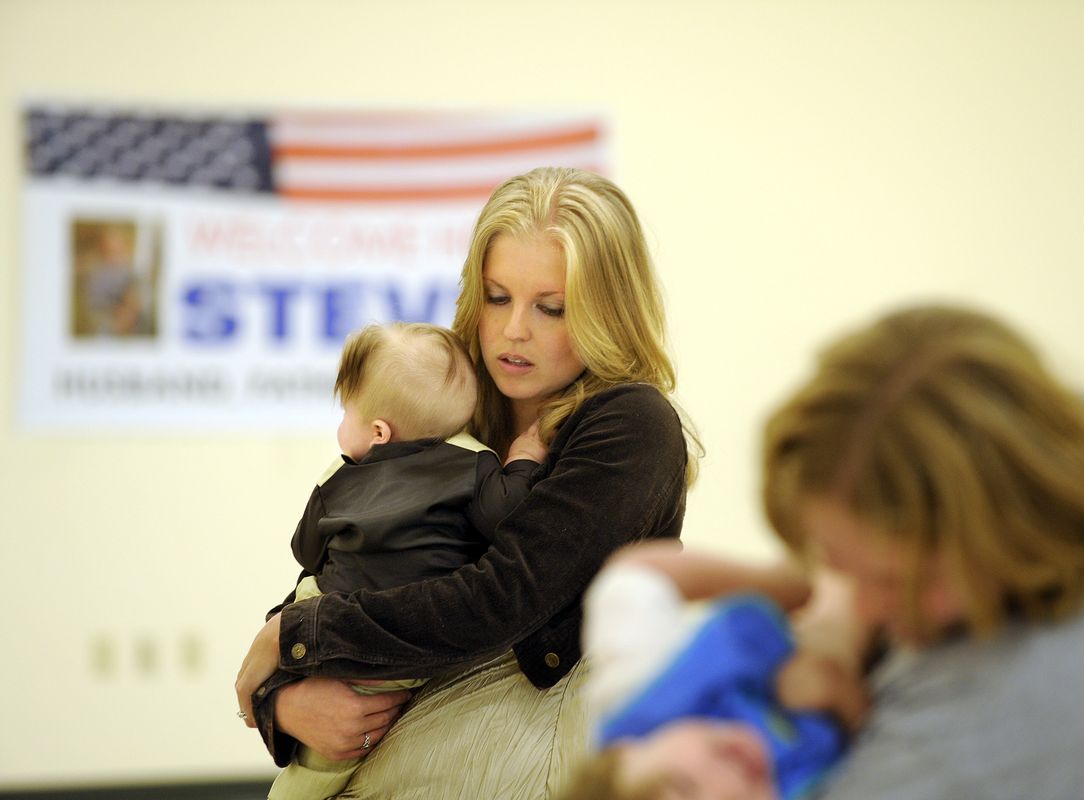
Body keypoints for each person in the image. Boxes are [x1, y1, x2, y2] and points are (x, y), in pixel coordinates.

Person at [235, 167, 698, 799]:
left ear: (606, 311)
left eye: (552, 308)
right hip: (390, 762)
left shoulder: (630, 423)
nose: (514, 330)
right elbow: (343, 564)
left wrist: (297, 639)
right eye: (497, 297)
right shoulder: (448, 403)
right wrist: (285, 702)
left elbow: (501, 597)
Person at [759, 304, 1084, 799]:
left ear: (1010, 534)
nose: (868, 604)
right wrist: (837, 633)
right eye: (839, 562)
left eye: (907, 582)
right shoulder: (1077, 439)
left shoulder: (1026, 715)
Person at [267, 321, 547, 800]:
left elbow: (305, 551)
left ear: (379, 431)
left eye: (346, 413)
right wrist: (523, 460)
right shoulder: (474, 461)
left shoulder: (338, 476)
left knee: (316, 770)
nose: (340, 427)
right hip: (420, 642)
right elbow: (509, 513)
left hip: (341, 633)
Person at [559, 543, 850, 800]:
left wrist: (776, 586)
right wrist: (846, 700)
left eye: (683, 785)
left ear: (621, 755)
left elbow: (632, 576)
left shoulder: (636, 690)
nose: (729, 783)